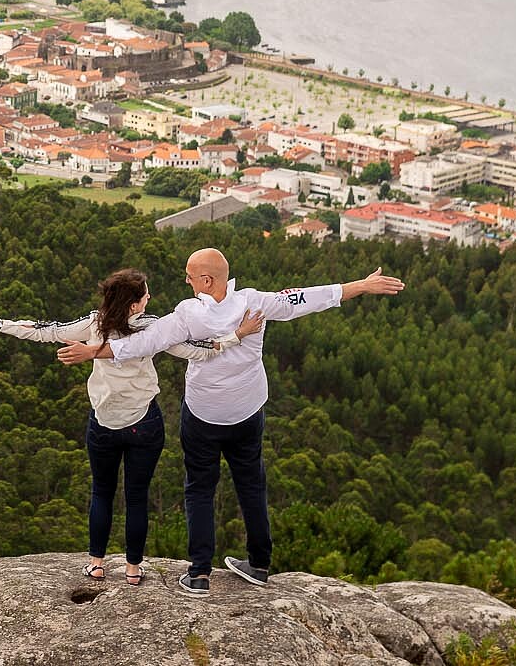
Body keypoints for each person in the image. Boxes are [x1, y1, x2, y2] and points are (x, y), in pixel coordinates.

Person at [58, 248, 404, 595]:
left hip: (203, 414)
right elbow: (307, 298)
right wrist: (361, 285)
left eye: (190, 275)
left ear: (205, 281)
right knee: (252, 484)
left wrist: (93, 351)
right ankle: (258, 564)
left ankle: (199, 573)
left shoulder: (187, 314)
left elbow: (141, 343)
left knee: (200, 489)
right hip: (247, 411)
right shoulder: (256, 302)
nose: (186, 280)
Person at [0, 268, 265, 586]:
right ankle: (133, 569)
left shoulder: (95, 324)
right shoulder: (153, 328)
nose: (150, 298)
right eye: (145, 295)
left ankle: (96, 564)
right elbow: (199, 351)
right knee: (136, 498)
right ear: (135, 304)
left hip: (104, 423)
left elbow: (45, 331)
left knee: (102, 493)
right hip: (144, 424)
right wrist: (238, 335)